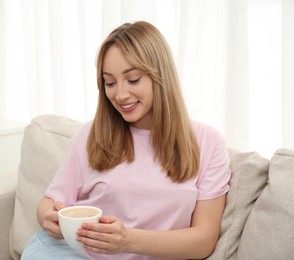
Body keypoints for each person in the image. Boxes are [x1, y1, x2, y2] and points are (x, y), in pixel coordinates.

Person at [21, 21, 231, 260]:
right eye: (110, 83)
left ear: (160, 76)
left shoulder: (208, 143)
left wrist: (128, 240)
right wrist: (49, 217)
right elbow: (50, 202)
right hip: (70, 253)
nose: (120, 95)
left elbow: (203, 241)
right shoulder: (91, 135)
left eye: (132, 79)